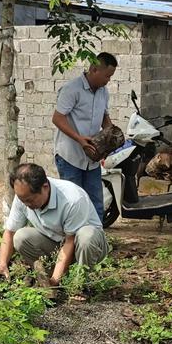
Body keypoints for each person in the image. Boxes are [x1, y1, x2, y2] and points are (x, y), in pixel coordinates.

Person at [0, 163, 109, 289]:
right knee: (21, 237)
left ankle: (80, 284)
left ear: (45, 187)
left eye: (30, 200)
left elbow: (70, 242)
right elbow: (9, 232)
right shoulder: (23, 196)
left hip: (86, 247)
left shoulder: (71, 199)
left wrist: (55, 281)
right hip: (57, 243)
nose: (26, 204)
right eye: (23, 200)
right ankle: (49, 277)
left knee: (86, 236)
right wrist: (2, 264)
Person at [52, 52, 118, 221]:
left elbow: (104, 117)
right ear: (94, 69)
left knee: (96, 202)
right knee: (74, 203)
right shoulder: (72, 89)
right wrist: (79, 139)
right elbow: (57, 118)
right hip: (70, 157)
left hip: (92, 158)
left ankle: (96, 241)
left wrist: (110, 135)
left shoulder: (103, 92)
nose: (108, 80)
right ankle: (74, 243)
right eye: (107, 76)